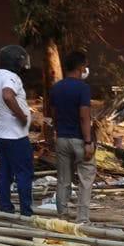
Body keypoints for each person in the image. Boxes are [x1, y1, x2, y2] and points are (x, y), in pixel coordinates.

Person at [0, 45, 34, 216]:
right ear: (16, 61)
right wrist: (21, 116)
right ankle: (26, 211)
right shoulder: (12, 77)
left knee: (5, 172)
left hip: (0, 134)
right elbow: (7, 95)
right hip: (16, 136)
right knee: (23, 173)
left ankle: (6, 208)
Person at [49, 51, 96, 223]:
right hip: (79, 140)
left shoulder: (56, 87)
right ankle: (82, 218)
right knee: (85, 179)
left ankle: (62, 215)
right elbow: (84, 116)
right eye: (85, 65)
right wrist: (88, 141)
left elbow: (54, 115)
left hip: (61, 138)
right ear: (81, 67)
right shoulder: (83, 88)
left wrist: (58, 131)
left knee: (63, 179)